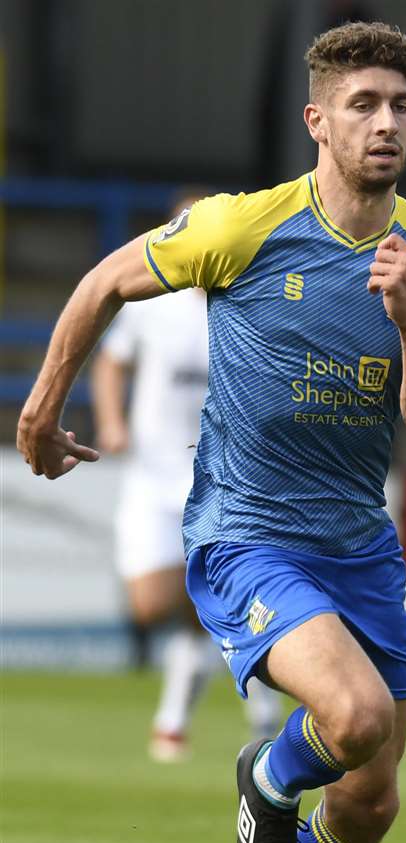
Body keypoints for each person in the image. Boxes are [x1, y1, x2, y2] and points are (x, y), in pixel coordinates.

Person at [17, 21, 406, 843]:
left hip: (360, 545)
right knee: (352, 722)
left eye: (400, 106)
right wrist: (43, 413)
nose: (387, 123)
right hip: (249, 532)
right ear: (318, 120)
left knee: (371, 801)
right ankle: (265, 775)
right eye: (365, 104)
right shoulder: (243, 226)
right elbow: (101, 285)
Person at [90, 197, 282, 761]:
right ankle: (256, 679)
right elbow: (110, 362)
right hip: (152, 478)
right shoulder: (151, 301)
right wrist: (110, 420)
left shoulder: (251, 298)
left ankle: (176, 717)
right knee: (152, 604)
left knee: (205, 592)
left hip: (222, 477)